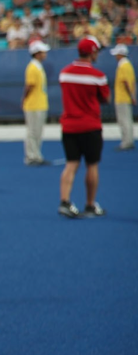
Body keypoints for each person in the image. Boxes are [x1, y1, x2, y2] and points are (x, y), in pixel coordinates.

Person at [57, 36, 110, 218]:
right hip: (90, 125)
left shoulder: (65, 73)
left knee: (71, 164)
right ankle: (90, 204)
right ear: (92, 52)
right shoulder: (98, 77)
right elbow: (105, 99)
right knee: (92, 165)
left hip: (69, 125)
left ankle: (65, 202)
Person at [22, 41, 51, 165]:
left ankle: (36, 155)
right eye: (43, 52)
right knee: (33, 132)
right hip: (34, 105)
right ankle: (31, 156)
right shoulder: (32, 67)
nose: (45, 54)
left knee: (37, 131)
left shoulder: (37, 66)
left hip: (39, 103)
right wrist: (25, 99)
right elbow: (29, 86)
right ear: (37, 53)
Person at [111, 43, 136, 150]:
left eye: (117, 54)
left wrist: (131, 96)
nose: (115, 56)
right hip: (126, 97)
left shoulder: (123, 66)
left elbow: (125, 82)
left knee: (124, 121)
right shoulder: (128, 65)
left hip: (122, 97)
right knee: (127, 120)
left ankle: (126, 142)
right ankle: (129, 141)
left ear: (121, 54)